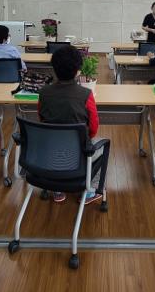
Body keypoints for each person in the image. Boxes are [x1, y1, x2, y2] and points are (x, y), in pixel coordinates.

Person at [37, 45, 103, 204]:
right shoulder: (86, 94)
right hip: (78, 150)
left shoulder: (43, 93)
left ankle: (57, 188)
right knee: (101, 149)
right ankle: (89, 191)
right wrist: (87, 138)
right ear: (78, 71)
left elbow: (41, 118)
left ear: (54, 69)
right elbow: (94, 127)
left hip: (50, 149)